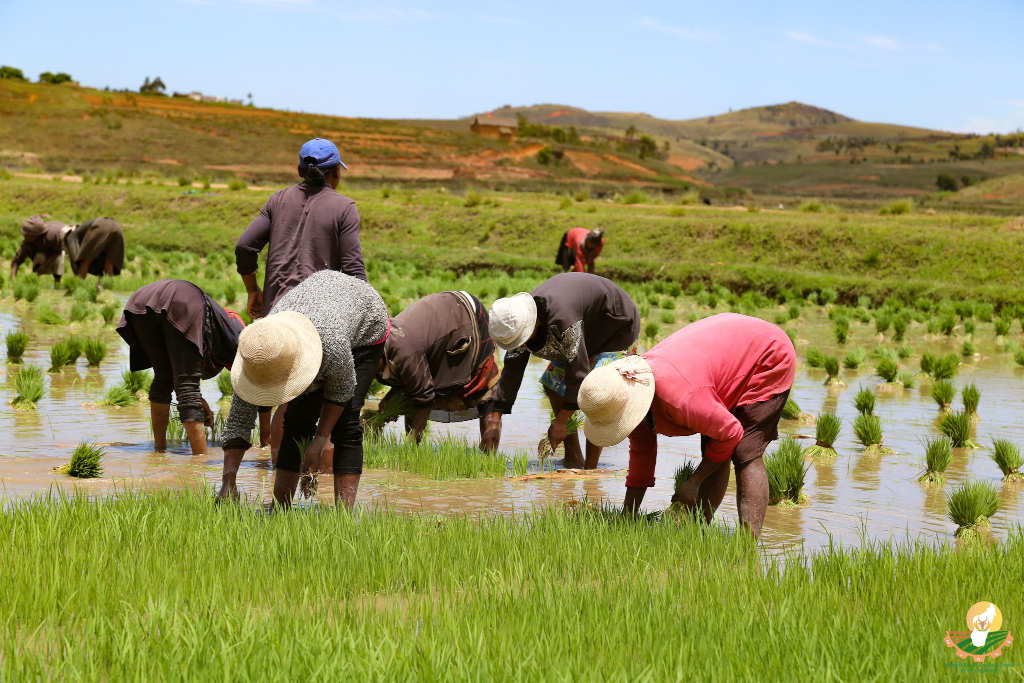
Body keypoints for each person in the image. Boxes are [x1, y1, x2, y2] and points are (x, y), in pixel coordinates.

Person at [577, 313, 796, 538]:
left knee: (744, 452)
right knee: (714, 447)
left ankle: (748, 547)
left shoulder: (681, 399)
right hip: (721, 354)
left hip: (766, 353)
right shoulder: (632, 397)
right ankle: (699, 531)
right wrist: (627, 515)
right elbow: (642, 454)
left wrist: (694, 482)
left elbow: (731, 433)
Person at [218, 270, 388, 509]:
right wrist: (228, 482)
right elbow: (238, 421)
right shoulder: (257, 350)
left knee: (346, 421)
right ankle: (280, 508)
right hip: (316, 311)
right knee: (297, 418)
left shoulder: (332, 345)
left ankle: (344, 516)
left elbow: (342, 392)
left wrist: (319, 442)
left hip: (365, 324)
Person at [482, 272, 639, 468]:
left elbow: (578, 373)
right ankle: (573, 458)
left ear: (534, 323)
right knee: (553, 385)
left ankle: (590, 471)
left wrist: (562, 421)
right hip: (584, 328)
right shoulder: (519, 321)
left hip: (614, 327)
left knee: (595, 392)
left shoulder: (563, 322)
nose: (519, 344)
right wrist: (494, 418)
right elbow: (512, 371)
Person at [116, 279, 258, 455]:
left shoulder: (219, 328)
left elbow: (178, 369)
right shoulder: (239, 337)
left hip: (140, 300)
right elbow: (259, 387)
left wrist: (199, 400)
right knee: (187, 386)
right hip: (182, 300)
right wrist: (265, 438)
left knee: (164, 378)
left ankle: (159, 452)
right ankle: (200, 460)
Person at [235, 137, 366, 320]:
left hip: (275, 313)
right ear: (336, 173)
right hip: (320, 320)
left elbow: (244, 246)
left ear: (300, 170)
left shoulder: (277, 200)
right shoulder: (345, 208)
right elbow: (354, 272)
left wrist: (252, 290)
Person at [376, 291, 497, 443]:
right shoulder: (384, 342)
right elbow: (411, 380)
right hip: (444, 314)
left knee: (487, 397)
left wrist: (410, 444)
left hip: (468, 318)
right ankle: (414, 447)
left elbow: (424, 397)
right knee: (413, 391)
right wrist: (391, 398)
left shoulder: (404, 351)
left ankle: (488, 454)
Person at [11, 215, 69, 284]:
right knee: (40, 256)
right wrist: (13, 279)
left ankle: (57, 282)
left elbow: (58, 251)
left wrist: (44, 266)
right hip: (41, 254)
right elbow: (16, 261)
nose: (24, 236)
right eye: (25, 234)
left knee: (59, 258)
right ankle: (35, 280)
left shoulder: (52, 236)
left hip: (57, 251)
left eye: (27, 235)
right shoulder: (26, 243)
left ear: (36, 235)